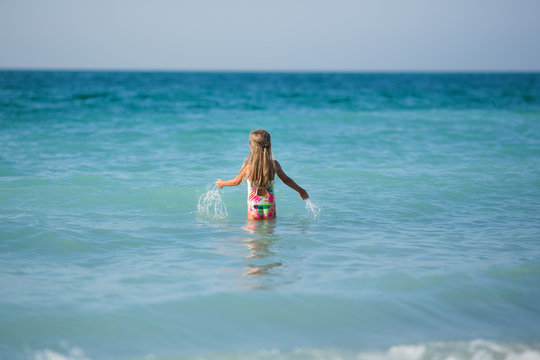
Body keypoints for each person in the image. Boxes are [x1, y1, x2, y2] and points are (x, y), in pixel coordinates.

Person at [215, 129, 309, 220]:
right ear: (269, 145)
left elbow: (236, 182)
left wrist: (222, 183)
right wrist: (300, 190)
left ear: (251, 145)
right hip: (270, 207)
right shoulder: (274, 164)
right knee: (269, 235)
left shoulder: (248, 166)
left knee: (252, 235)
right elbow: (287, 180)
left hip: (253, 207)